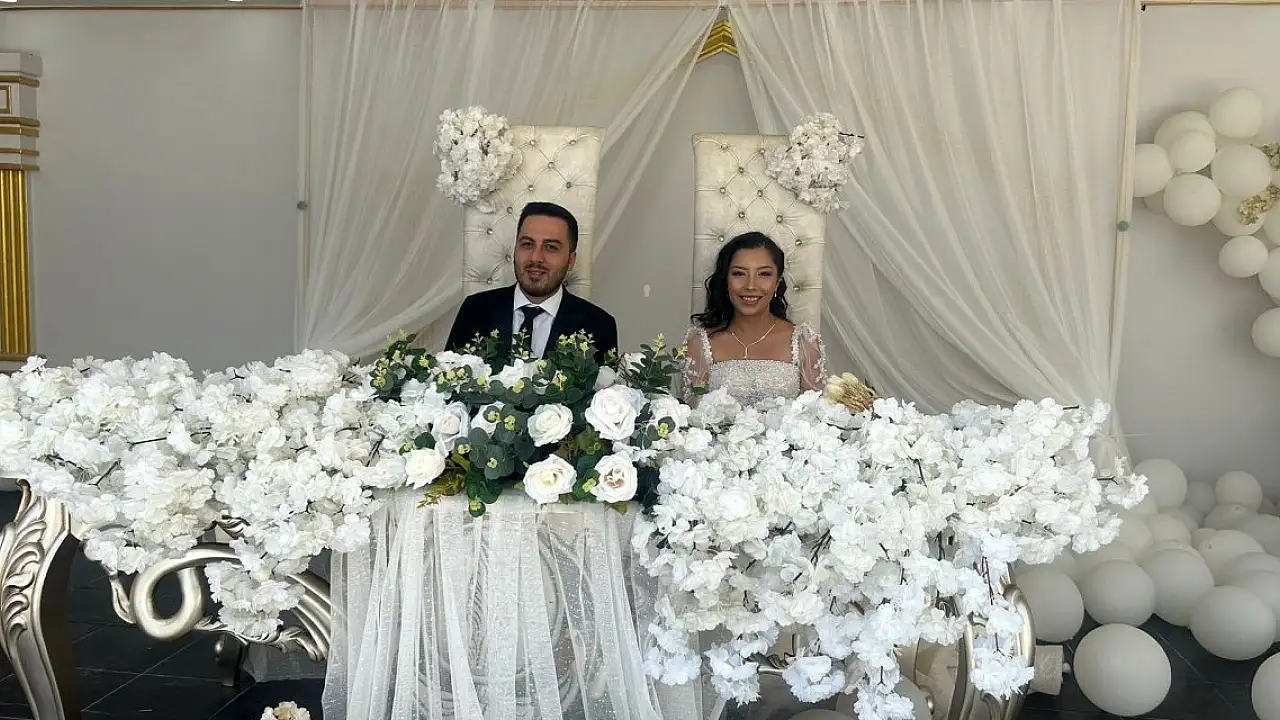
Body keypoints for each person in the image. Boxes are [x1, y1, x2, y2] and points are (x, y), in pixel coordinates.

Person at [445, 201, 618, 365]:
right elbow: (448, 379)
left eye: (551, 247)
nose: (536, 258)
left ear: (571, 260)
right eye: (527, 244)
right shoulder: (475, 310)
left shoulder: (598, 326)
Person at [681, 231, 828, 407]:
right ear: (726, 281)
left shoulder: (804, 342)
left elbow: (815, 415)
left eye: (764, 274)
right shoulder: (700, 343)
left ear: (777, 283)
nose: (750, 286)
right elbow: (692, 415)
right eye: (739, 274)